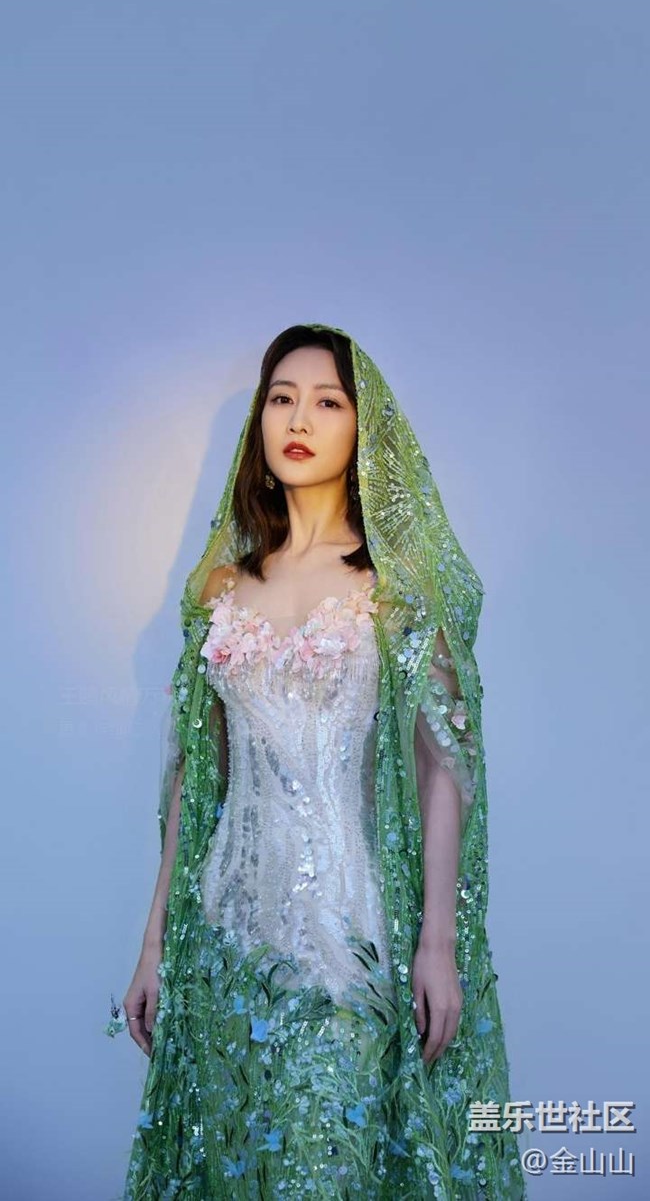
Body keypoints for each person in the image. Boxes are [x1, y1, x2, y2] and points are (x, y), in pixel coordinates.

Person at [105, 323, 526, 1199]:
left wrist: (437, 943)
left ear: (363, 427)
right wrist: (153, 947)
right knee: (240, 1167)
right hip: (225, 939)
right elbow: (195, 778)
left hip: (354, 937)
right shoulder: (220, 589)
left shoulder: (397, 590)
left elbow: (443, 768)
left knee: (335, 1165)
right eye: (282, 398)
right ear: (259, 421)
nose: (299, 418)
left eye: (328, 401)